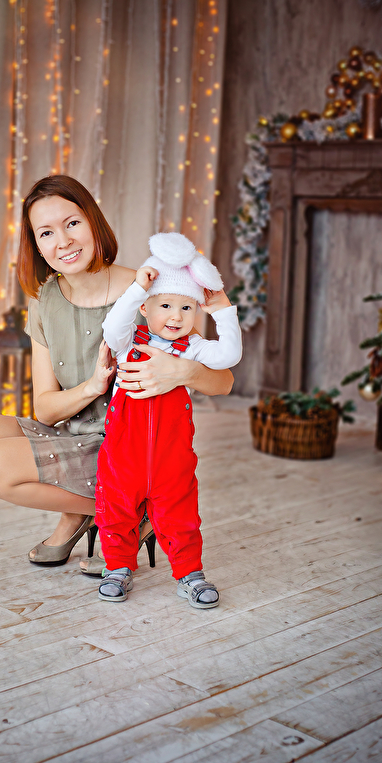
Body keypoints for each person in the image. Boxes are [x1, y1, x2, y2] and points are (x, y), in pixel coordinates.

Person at [0, 175, 235, 571]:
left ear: (93, 222)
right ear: (36, 245)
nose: (63, 241)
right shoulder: (43, 299)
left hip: (129, 451)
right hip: (73, 435)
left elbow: (224, 382)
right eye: (46, 232)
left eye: (72, 223)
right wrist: (92, 386)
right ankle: (101, 512)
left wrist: (180, 371)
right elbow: (46, 410)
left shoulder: (147, 289)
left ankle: (130, 511)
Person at [95, 232, 242, 607]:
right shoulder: (129, 341)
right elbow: (111, 330)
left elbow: (228, 356)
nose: (176, 316)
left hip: (171, 456)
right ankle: (117, 568)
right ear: (145, 307)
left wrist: (223, 310)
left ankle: (190, 574)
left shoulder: (191, 347)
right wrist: (136, 289)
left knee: (181, 516)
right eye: (165, 305)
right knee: (116, 510)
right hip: (123, 453)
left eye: (187, 307)